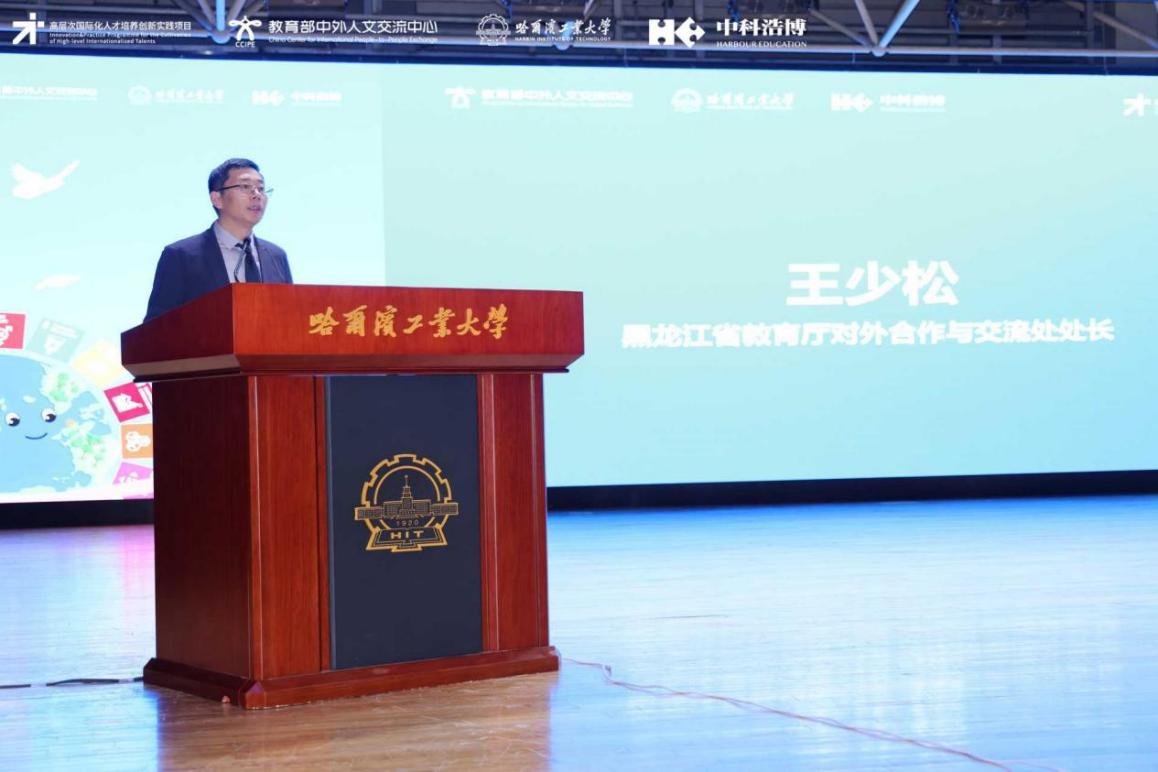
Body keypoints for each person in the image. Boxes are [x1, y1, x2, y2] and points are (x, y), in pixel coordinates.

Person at [144, 158, 293, 321]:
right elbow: (156, 328)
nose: (257, 195)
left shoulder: (276, 256)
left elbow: (290, 320)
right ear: (217, 199)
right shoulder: (180, 256)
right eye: (245, 187)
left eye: (261, 188)